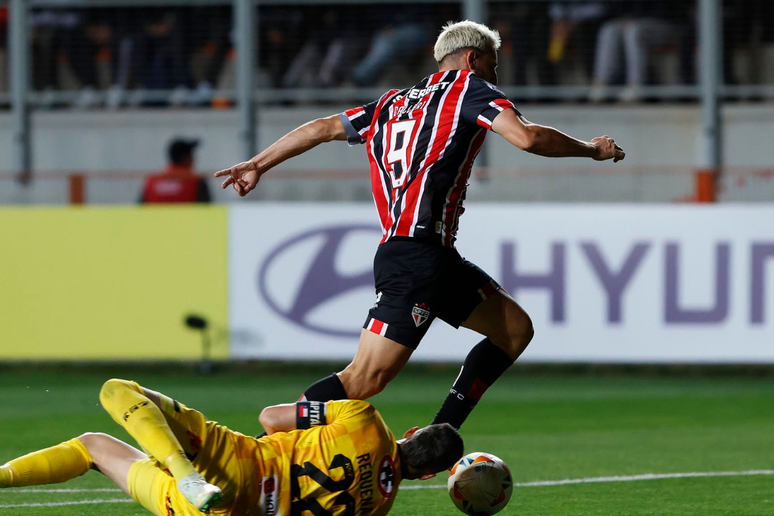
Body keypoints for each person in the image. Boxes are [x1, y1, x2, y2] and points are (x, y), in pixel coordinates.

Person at [215, 20, 625, 430]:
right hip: (415, 258)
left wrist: (258, 163)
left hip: (434, 256)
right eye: (493, 66)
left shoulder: (391, 103)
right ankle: (279, 428)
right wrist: (591, 149)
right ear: (472, 59)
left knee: (514, 330)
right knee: (365, 379)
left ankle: (437, 439)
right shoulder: (469, 87)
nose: (496, 76)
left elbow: (322, 128)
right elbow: (528, 138)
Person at [0, 378, 463, 515]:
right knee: (98, 449)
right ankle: (184, 482)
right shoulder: (376, 509)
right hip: (230, 512)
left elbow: (271, 418)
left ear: (412, 433)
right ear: (427, 475)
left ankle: (184, 469)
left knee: (116, 394)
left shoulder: (364, 417)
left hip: (235, 459)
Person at [141, 138, 211, 204]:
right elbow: (206, 210)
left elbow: (139, 209)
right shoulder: (195, 181)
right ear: (186, 158)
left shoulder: (152, 181)